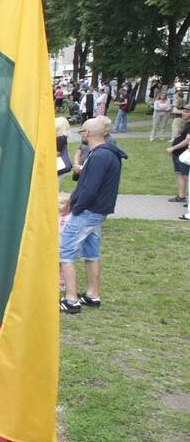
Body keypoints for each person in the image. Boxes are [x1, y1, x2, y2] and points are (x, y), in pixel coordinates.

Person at [59, 118, 128, 314]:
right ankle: (92, 295)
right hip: (97, 211)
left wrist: (75, 207)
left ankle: (71, 300)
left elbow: (89, 188)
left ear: (87, 133)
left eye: (82, 131)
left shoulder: (99, 156)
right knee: (91, 253)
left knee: (65, 252)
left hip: (88, 212)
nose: (81, 134)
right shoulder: (107, 154)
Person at [166, 112, 190, 205]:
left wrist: (173, 148)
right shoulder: (186, 123)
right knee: (179, 174)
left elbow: (187, 140)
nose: (183, 113)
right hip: (178, 154)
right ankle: (181, 196)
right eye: (183, 111)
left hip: (184, 155)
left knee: (186, 176)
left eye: (187, 111)